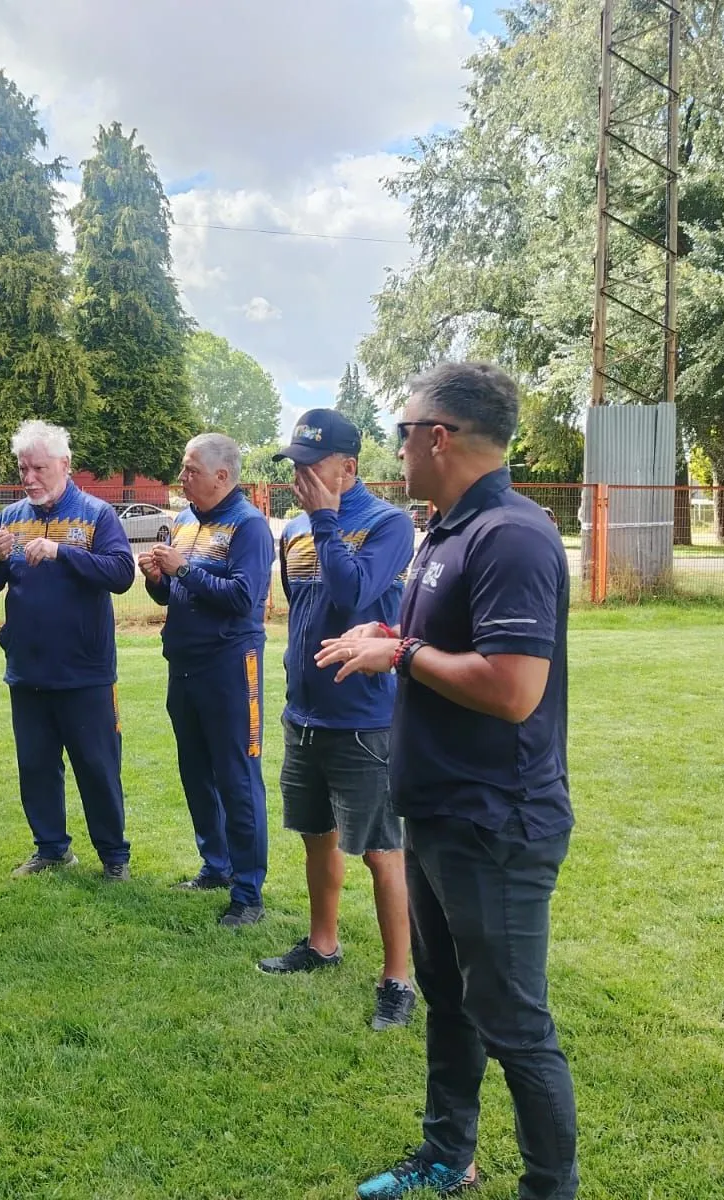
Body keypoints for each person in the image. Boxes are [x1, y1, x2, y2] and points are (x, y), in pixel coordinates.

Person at [319, 362, 577, 1200]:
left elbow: (512, 689)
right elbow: (445, 647)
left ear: (440, 436)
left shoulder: (512, 533)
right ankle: (446, 1158)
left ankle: (550, 1188)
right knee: (448, 998)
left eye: (401, 432)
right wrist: (390, 632)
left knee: (513, 1022)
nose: (396, 449)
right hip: (436, 809)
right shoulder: (446, 529)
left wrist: (400, 653)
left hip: (495, 823)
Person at [257, 409, 419, 1032]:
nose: (301, 475)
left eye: (313, 464)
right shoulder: (294, 527)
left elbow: (352, 595)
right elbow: (305, 608)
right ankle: (322, 942)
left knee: (381, 850)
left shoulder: (387, 524)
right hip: (306, 713)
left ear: (349, 467)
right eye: (294, 463)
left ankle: (397, 978)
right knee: (315, 833)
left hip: (365, 718)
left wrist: (326, 518)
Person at [0, 420, 136, 881]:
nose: (29, 478)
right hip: (27, 669)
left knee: (97, 767)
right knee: (36, 767)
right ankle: (51, 848)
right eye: (23, 469)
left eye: (38, 468)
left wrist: (63, 552)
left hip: (85, 670)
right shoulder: (10, 518)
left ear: (64, 465)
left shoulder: (96, 515)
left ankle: (114, 857)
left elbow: (121, 573)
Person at [140, 433, 275, 928]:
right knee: (195, 772)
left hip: (230, 667)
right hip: (184, 664)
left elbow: (244, 598)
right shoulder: (181, 522)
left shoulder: (249, 527)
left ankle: (248, 891)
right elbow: (173, 595)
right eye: (183, 467)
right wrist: (159, 578)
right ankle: (215, 866)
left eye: (191, 468)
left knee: (238, 778)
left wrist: (185, 568)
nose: (182, 475)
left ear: (222, 476)